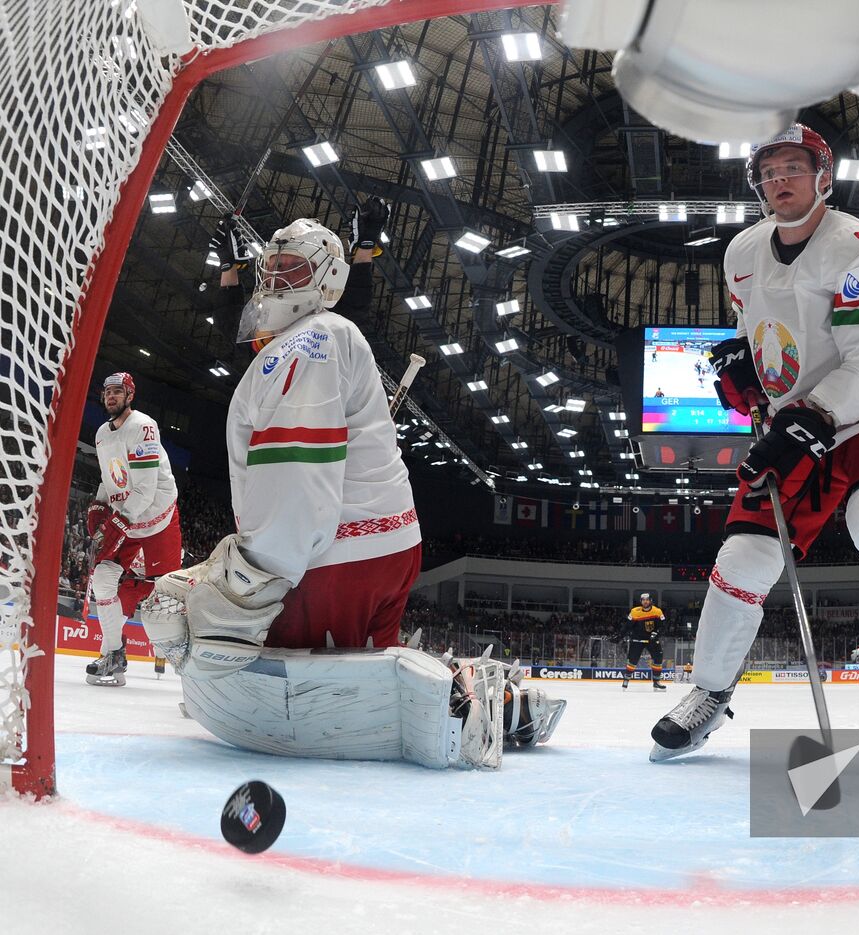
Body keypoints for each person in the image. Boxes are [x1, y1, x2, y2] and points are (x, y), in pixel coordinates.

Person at [141, 206, 562, 768]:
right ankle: (503, 703)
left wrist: (251, 579)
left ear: (326, 279)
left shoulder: (308, 342)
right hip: (376, 546)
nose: (275, 281)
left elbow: (297, 477)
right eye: (271, 269)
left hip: (335, 555)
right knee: (365, 667)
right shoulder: (313, 339)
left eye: (291, 269)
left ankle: (466, 708)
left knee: (263, 659)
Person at [650, 124, 859, 763]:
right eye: (769, 171)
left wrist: (813, 414)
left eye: (793, 167)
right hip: (796, 419)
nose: (780, 179)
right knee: (744, 555)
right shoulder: (742, 252)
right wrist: (745, 365)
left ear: (822, 176)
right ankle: (709, 694)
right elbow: (760, 332)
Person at [84, 371, 183, 686]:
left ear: (130, 395)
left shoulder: (143, 426)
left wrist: (118, 520)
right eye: (107, 392)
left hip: (157, 518)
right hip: (127, 517)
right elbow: (109, 478)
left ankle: (190, 664)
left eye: (118, 391)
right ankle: (113, 653)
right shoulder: (102, 434)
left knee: (170, 595)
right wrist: (99, 504)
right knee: (102, 579)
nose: (111, 396)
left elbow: (146, 488)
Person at [619, 592, 667, 691]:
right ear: (641, 601)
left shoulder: (657, 611)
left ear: (650, 601)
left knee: (658, 658)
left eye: (647, 600)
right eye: (643, 600)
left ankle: (656, 682)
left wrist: (657, 633)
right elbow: (627, 626)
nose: (645, 602)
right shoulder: (634, 611)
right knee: (632, 661)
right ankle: (626, 680)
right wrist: (620, 636)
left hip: (652, 640)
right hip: (638, 640)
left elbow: (663, 626)